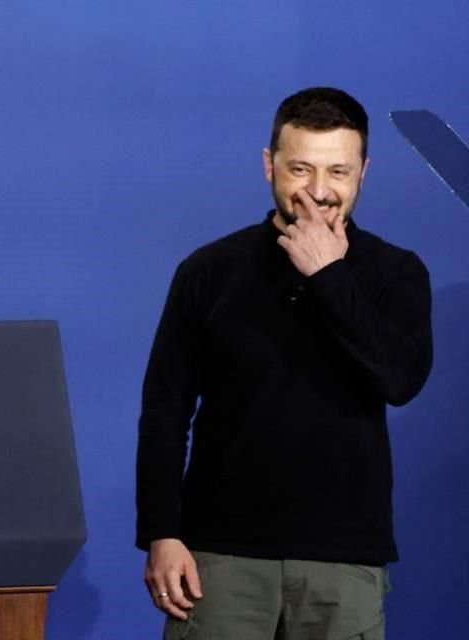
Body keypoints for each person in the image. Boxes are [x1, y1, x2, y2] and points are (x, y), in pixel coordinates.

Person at [136, 87, 432, 639]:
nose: (319, 192)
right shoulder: (209, 270)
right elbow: (165, 409)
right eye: (301, 168)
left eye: (338, 172)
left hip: (344, 560)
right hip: (218, 560)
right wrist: (161, 532)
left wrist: (329, 276)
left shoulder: (396, 272)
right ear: (269, 164)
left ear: (363, 171)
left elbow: (400, 379)